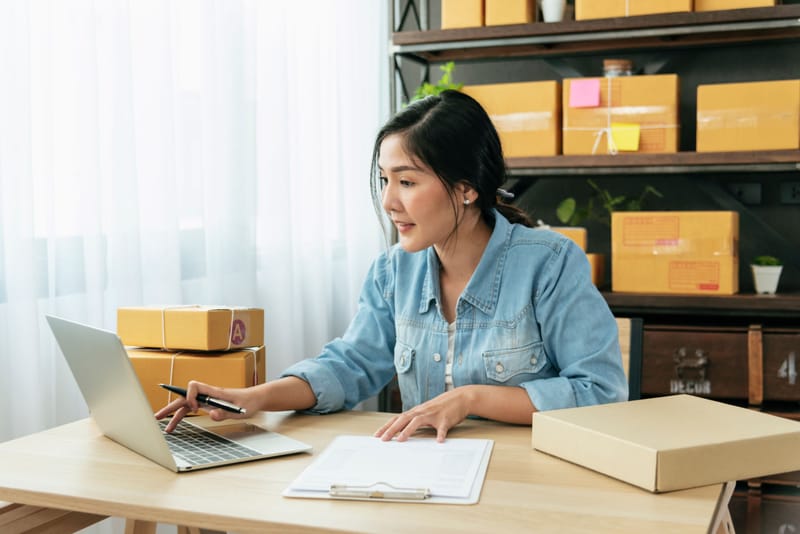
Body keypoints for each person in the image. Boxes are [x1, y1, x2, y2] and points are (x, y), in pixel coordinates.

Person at [156, 90, 628, 442]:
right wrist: (252, 398)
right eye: (385, 180)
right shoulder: (392, 273)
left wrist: (471, 399)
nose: (387, 201)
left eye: (406, 181)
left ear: (466, 188)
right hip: (429, 478)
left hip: (532, 488)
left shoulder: (549, 263)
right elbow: (349, 366)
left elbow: (601, 392)